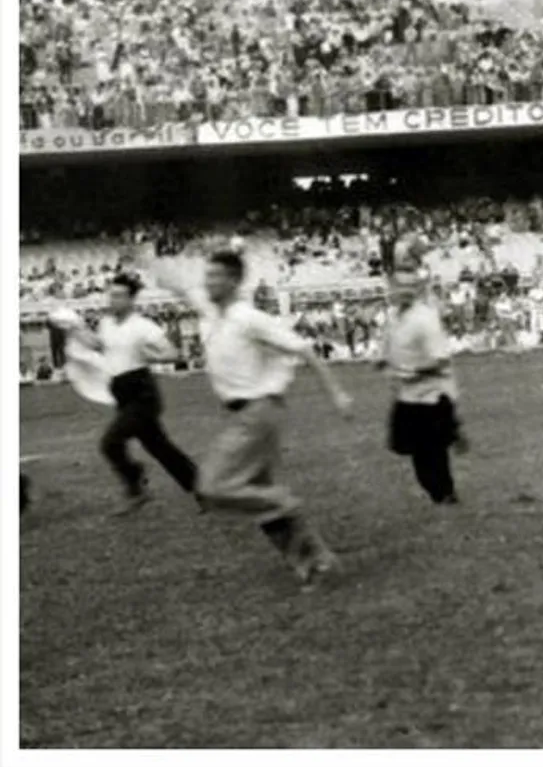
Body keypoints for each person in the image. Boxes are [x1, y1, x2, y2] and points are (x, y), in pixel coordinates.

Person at [153, 249, 353, 590]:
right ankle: (316, 563)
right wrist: (147, 260)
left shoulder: (249, 318)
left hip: (259, 412)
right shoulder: (212, 311)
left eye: (215, 276)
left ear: (233, 281)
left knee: (212, 487)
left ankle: (286, 504)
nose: (208, 282)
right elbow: (182, 288)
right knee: (255, 493)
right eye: (207, 276)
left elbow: (304, 349)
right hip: (242, 414)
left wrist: (337, 393)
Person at [66, 273, 200, 515]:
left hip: (142, 392)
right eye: (111, 295)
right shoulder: (107, 324)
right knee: (160, 448)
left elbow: (173, 353)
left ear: (131, 300)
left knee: (110, 443)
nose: (113, 300)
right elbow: (99, 346)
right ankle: (205, 489)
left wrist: (149, 356)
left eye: (119, 296)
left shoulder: (143, 326)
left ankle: (136, 488)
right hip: (122, 392)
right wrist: (75, 328)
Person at [378, 268, 465, 505]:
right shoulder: (394, 317)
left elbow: (441, 359)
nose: (404, 291)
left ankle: (445, 494)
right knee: (412, 448)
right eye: (400, 286)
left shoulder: (426, 319)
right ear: (392, 289)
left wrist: (416, 371)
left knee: (432, 449)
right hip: (406, 394)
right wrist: (383, 360)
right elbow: (389, 347)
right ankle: (439, 489)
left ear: (416, 289)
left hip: (431, 394)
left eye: (410, 286)